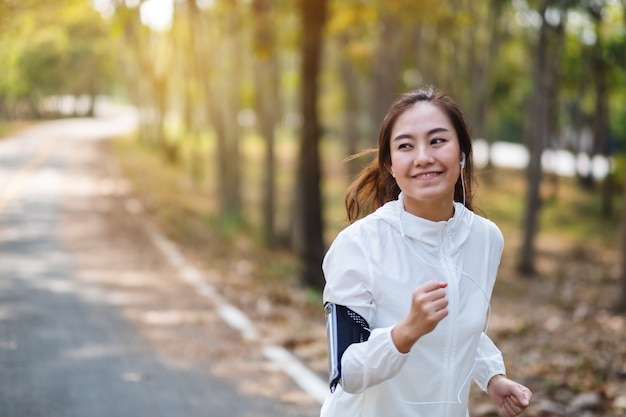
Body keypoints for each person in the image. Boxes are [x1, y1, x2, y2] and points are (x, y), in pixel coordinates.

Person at [321, 85, 532, 417]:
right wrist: (406, 332)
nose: (423, 158)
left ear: (462, 152)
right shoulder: (359, 245)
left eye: (437, 141)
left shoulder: (486, 239)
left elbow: (462, 326)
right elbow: (346, 372)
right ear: (390, 163)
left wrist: (492, 376)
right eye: (406, 146)